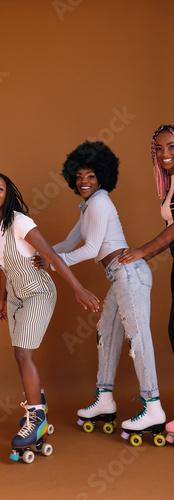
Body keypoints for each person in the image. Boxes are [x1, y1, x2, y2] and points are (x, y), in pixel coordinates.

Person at [32, 141, 166, 440]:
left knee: (137, 337)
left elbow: (91, 248)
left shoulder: (101, 202)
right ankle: (104, 399)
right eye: (79, 176)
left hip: (129, 273)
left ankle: (153, 404)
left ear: (101, 177)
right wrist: (39, 255)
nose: (83, 181)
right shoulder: (88, 206)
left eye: (90, 175)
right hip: (119, 276)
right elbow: (68, 244)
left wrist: (53, 264)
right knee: (107, 333)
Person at [0, 173, 99, 453]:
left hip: (38, 292)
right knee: (18, 354)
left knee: (23, 353)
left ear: (8, 195)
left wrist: (78, 289)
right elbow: (3, 264)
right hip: (16, 296)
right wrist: (2, 298)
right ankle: (37, 403)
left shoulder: (19, 222)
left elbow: (52, 256)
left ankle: (36, 417)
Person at [118, 124, 174, 441]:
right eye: (159, 148)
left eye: (171, 147)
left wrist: (142, 250)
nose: (165, 153)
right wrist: (144, 258)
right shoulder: (170, 184)